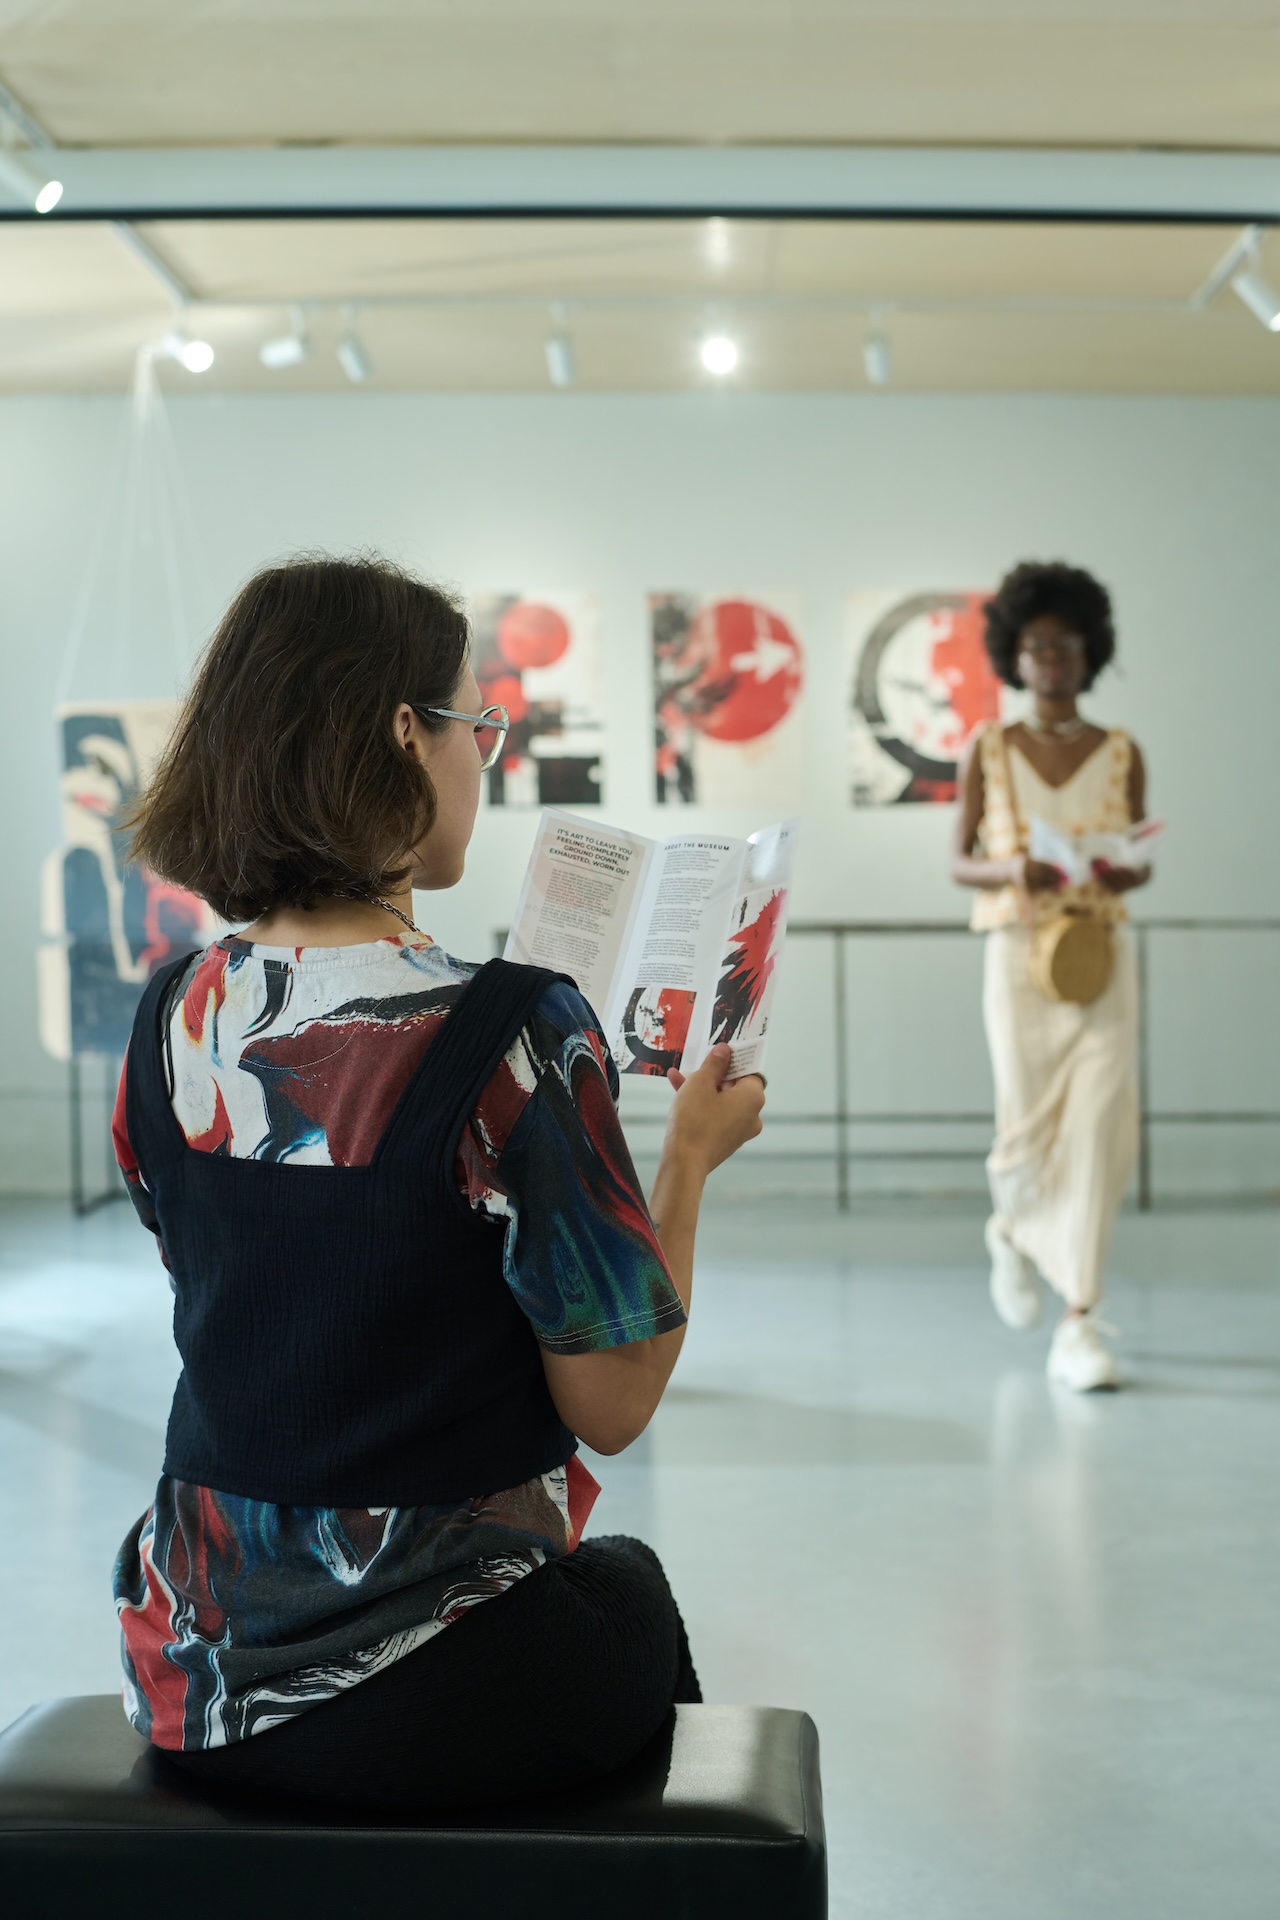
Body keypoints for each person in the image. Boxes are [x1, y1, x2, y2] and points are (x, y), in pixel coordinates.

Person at [110, 554, 765, 1809]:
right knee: (627, 1586)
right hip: (425, 1683)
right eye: (477, 723)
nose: (485, 757)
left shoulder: (166, 1017)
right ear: (404, 735)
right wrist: (686, 1161)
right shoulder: (518, 1032)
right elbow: (613, 1401)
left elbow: (259, 1289)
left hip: (194, 1671)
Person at [951, 561, 1150, 1390]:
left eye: (1067, 645)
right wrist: (1011, 870)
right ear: (1015, 655)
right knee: (1025, 1126)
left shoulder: (1121, 751)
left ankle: (1081, 1320)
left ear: (1089, 652)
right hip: (1017, 955)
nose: (1053, 659)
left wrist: (1123, 869)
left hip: (1100, 956)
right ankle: (1012, 1229)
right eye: (1038, 646)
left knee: (1101, 1124)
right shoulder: (989, 748)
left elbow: (1138, 858)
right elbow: (960, 861)